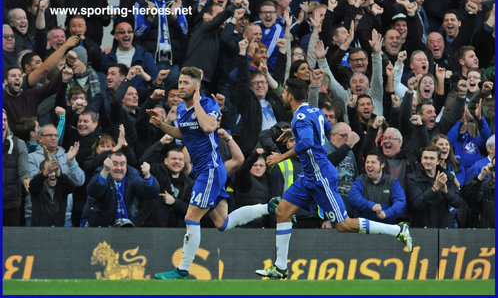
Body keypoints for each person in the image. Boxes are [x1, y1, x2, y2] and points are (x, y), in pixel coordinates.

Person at [255, 78, 412, 279]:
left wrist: (281, 156)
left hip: (320, 177)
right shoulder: (314, 111)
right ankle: (280, 267)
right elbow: (323, 133)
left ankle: (397, 230)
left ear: (290, 95)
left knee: (343, 225)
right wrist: (293, 132)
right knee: (282, 212)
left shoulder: (301, 116)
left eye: (284, 92)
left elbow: (307, 143)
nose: (284, 95)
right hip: (309, 176)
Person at [149, 67, 281, 279]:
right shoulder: (182, 109)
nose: (180, 86)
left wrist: (198, 101)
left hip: (210, 169)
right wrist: (161, 124)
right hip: (204, 171)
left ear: (196, 85)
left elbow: (209, 127)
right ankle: (269, 207)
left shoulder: (208, 105)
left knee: (191, 217)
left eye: (185, 83)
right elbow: (181, 133)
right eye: (180, 82)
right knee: (223, 223)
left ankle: (182, 270)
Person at [84, 152, 159, 227]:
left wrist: (147, 175)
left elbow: (152, 193)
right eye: (115, 164)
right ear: (108, 165)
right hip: (101, 227)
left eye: (122, 164)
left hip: (127, 228)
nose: (119, 168)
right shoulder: (102, 174)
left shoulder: (132, 177)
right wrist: (105, 171)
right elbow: (93, 192)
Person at [405, 146, 463, 228]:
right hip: (422, 228)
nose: (428, 161)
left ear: (438, 161)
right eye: (425, 158)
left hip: (444, 228)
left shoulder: (446, 177)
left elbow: (458, 202)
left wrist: (446, 191)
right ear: (421, 160)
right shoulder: (414, 179)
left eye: (432, 158)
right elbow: (416, 204)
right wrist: (435, 188)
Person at [348, 150, 407, 224]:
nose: (369, 165)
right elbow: (353, 198)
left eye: (373, 162)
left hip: (387, 228)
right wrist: (371, 206)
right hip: (363, 228)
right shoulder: (360, 181)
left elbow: (400, 202)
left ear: (382, 165)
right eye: (367, 162)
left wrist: (386, 213)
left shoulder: (392, 182)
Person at [29, 159, 76, 226]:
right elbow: (32, 187)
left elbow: (72, 188)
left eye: (55, 171)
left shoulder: (62, 187)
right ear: (42, 173)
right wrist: (43, 174)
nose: (53, 174)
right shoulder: (37, 188)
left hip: (58, 230)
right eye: (50, 171)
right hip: (39, 231)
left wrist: (60, 175)